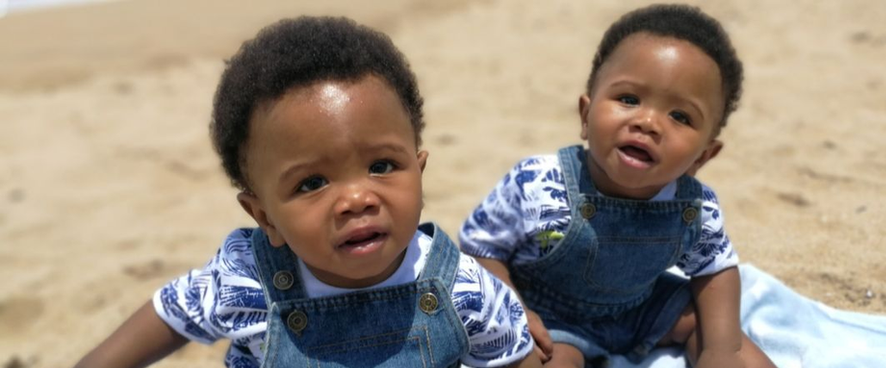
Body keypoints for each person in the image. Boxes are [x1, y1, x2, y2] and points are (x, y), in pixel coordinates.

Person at [75, 16, 540, 368]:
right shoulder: (248, 283)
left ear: (419, 171)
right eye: (312, 183)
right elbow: (169, 315)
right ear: (266, 218)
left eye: (382, 166)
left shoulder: (461, 288)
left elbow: (514, 353)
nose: (357, 199)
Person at [458, 4, 776, 368]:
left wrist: (722, 348)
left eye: (680, 116)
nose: (648, 122)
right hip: (552, 316)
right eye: (628, 99)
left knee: (732, 348)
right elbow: (480, 247)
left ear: (703, 156)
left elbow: (715, 268)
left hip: (642, 309)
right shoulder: (540, 183)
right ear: (585, 115)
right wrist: (515, 314)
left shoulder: (695, 208)